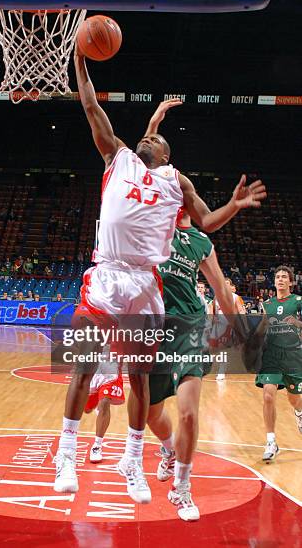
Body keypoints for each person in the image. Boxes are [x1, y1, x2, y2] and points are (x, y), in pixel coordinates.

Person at [53, 45, 267, 503]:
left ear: (167, 155)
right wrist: (80, 60)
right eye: (146, 137)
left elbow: (207, 222)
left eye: (154, 140)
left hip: (145, 283)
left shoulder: (176, 182)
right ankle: (66, 452)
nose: (146, 140)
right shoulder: (120, 157)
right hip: (107, 274)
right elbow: (91, 105)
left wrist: (236, 204)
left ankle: (134, 458)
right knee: (83, 366)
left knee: (139, 376)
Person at [147, 208, 236, 521]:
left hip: (191, 328)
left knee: (188, 412)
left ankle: (181, 487)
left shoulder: (201, 241)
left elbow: (221, 288)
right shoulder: (150, 224)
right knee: (150, 412)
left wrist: (240, 329)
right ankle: (169, 449)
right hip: (153, 329)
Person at [253, 266, 302, 462]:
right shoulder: (267, 304)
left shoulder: (298, 301)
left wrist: (297, 323)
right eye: (278, 277)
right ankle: (271, 441)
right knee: (268, 395)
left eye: (284, 277)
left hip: (293, 356)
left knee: (295, 399)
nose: (280, 280)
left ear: (291, 282)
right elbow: (262, 328)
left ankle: (299, 412)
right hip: (272, 355)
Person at [84, 345, 125, 463]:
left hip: (111, 367)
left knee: (105, 401)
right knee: (87, 409)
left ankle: (97, 445)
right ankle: (98, 398)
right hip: (92, 366)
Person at [210, 278, 246, 380]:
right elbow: (213, 312)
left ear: (231, 286)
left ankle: (221, 371)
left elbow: (241, 311)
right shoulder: (216, 297)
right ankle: (215, 368)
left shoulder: (235, 297)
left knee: (223, 348)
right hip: (217, 326)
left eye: (227, 284)